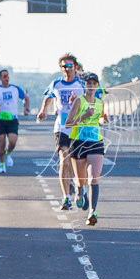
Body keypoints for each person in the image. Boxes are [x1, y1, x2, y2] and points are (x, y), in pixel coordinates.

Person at [37, 55, 95, 209]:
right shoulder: (56, 83)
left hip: (80, 127)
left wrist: (78, 102)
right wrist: (43, 110)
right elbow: (49, 97)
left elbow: (95, 99)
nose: (66, 69)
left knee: (80, 164)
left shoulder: (82, 84)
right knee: (65, 160)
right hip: (62, 128)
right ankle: (66, 198)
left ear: (75, 67)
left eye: (69, 66)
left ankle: (80, 188)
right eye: (63, 66)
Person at [64, 72, 107, 226]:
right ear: (85, 85)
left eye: (94, 83)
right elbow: (68, 123)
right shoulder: (79, 102)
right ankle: (79, 189)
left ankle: (92, 212)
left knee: (94, 177)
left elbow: (101, 117)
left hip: (96, 142)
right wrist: (84, 116)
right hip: (78, 143)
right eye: (88, 83)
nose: (91, 86)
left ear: (97, 86)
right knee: (81, 180)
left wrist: (104, 119)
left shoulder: (100, 102)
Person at [0, 70, 30, 174]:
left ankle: (8, 153)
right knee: (1, 143)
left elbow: (26, 98)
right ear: (0, 78)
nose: (6, 78)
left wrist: (26, 109)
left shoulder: (15, 89)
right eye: (4, 76)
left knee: (13, 141)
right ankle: (2, 164)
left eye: (8, 76)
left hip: (12, 119)